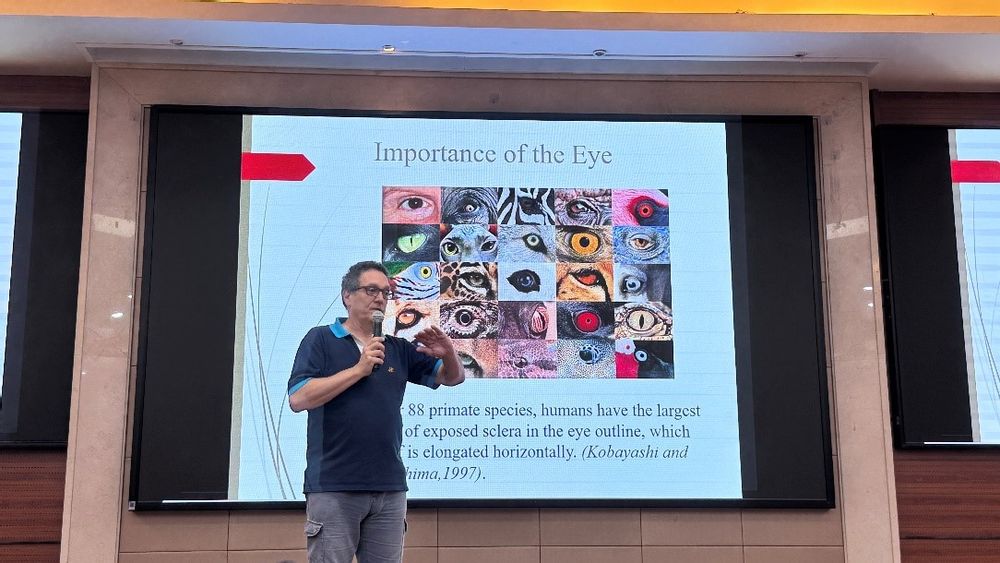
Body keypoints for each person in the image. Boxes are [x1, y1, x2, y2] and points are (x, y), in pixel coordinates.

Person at [287, 260, 464, 563]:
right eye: (371, 290)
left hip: (389, 487)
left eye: (385, 292)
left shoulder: (397, 348)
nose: (380, 298)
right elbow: (298, 398)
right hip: (335, 486)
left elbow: (452, 378)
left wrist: (449, 354)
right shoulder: (321, 339)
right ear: (347, 295)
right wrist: (359, 369)